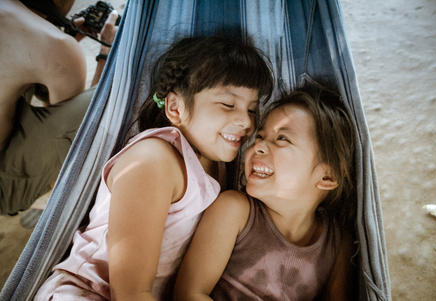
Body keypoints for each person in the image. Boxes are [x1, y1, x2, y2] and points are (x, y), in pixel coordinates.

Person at [33, 35, 273, 301]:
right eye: (228, 104)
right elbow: (131, 293)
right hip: (86, 293)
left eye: (252, 109)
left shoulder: (214, 163)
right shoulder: (153, 161)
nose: (245, 122)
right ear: (175, 107)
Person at [173, 87, 358, 301]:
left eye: (282, 138)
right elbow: (188, 294)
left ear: (327, 176)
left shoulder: (337, 244)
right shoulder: (234, 210)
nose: (259, 145)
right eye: (260, 136)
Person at [0, 0, 118, 215]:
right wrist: (105, 53)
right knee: (110, 95)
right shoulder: (55, 44)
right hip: (2, 190)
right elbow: (81, 138)